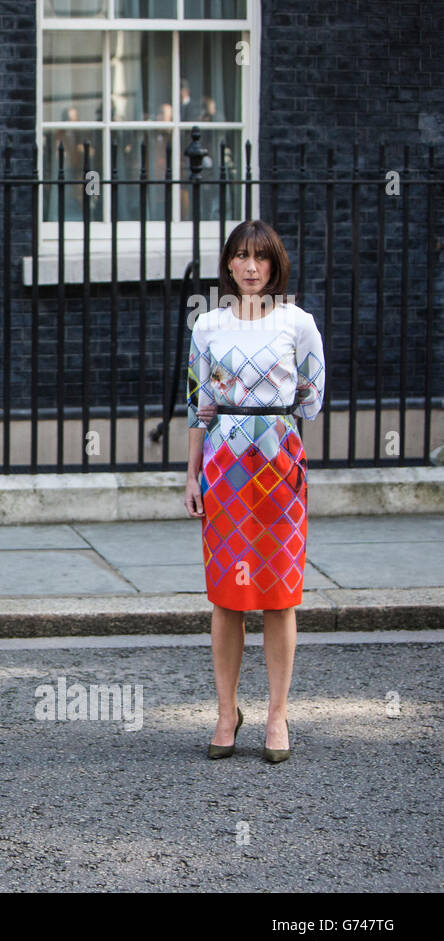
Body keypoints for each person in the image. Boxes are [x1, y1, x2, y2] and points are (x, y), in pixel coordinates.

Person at [184, 220, 325, 764]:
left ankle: (277, 715)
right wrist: (191, 473)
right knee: (226, 596)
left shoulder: (299, 323)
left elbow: (310, 398)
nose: (249, 267)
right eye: (240, 256)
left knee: (279, 596)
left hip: (280, 469)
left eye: (259, 258)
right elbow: (199, 404)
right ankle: (226, 712)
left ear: (274, 265)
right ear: (229, 264)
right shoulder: (209, 327)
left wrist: (272, 427)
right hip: (224, 471)